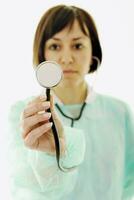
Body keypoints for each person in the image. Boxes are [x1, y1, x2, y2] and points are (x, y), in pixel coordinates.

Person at [7, 4, 134, 200]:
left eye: (77, 45)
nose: (66, 58)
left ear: (94, 53)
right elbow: (25, 188)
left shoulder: (120, 112)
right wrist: (49, 156)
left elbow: (129, 184)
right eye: (55, 46)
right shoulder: (23, 114)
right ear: (43, 55)